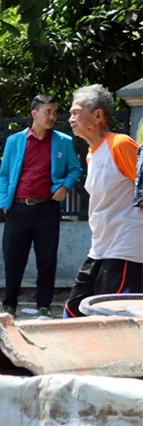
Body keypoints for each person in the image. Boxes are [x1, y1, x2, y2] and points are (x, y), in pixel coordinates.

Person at [0, 94, 81, 319]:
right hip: (17, 207)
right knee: (13, 258)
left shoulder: (63, 141)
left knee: (47, 258)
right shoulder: (15, 141)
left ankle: (44, 305)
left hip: (47, 208)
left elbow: (75, 169)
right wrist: (4, 202)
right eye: (47, 112)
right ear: (35, 114)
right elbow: (3, 175)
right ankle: (9, 305)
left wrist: (65, 186)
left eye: (55, 112)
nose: (52, 116)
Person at [63, 84, 141, 316]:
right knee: (74, 310)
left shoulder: (121, 144)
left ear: (97, 115)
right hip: (100, 248)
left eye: (76, 112)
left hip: (126, 248)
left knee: (109, 316)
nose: (70, 119)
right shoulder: (91, 153)